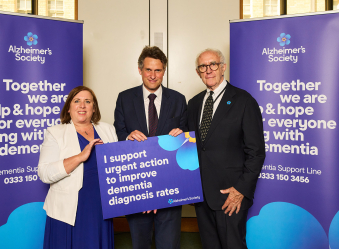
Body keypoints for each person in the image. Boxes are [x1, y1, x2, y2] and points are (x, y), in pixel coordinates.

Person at [187, 49, 265, 249]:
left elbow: (256, 152)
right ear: (198, 72)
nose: (208, 70)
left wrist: (241, 190)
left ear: (223, 67)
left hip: (230, 196)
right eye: (203, 67)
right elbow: (193, 146)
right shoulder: (194, 104)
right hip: (202, 195)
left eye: (213, 64)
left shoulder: (244, 101)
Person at [114, 46, 187, 249]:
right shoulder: (124, 98)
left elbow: (187, 137)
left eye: (158, 70)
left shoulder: (179, 99)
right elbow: (118, 132)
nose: (153, 75)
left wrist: (181, 135)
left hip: (170, 184)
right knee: (140, 243)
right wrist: (127, 136)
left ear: (164, 71)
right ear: (140, 70)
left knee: (169, 244)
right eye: (148, 70)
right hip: (137, 184)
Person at [38, 86, 117, 249]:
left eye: (88, 101)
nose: (82, 105)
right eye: (77, 101)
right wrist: (80, 156)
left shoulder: (108, 129)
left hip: (101, 206)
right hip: (69, 209)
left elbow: (119, 166)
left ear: (94, 108)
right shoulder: (55, 133)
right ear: (68, 108)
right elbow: (44, 173)